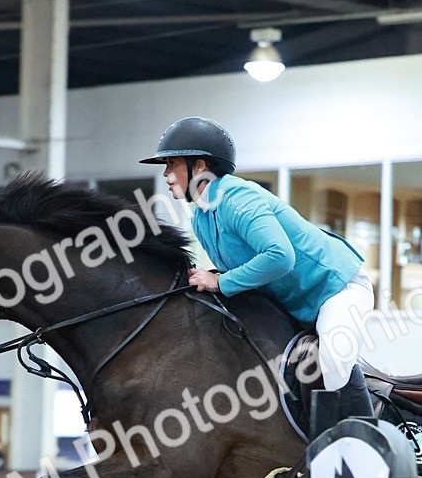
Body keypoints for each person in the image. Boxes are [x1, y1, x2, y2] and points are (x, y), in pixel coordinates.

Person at [140, 116, 375, 425]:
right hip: (298, 305)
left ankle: (366, 441)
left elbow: (280, 256)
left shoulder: (237, 197)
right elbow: (244, 273)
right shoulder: (201, 217)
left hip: (338, 288)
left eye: (171, 164)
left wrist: (220, 282)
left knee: (332, 363)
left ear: (199, 166)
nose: (166, 174)